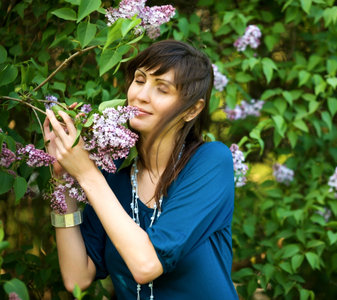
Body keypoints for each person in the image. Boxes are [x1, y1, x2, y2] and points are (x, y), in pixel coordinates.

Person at [44, 40, 239, 300]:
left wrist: (86, 174)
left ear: (192, 109)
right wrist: (63, 180)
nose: (141, 95)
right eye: (139, 79)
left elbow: (147, 265)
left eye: (162, 89)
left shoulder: (210, 162)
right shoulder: (115, 174)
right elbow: (77, 277)